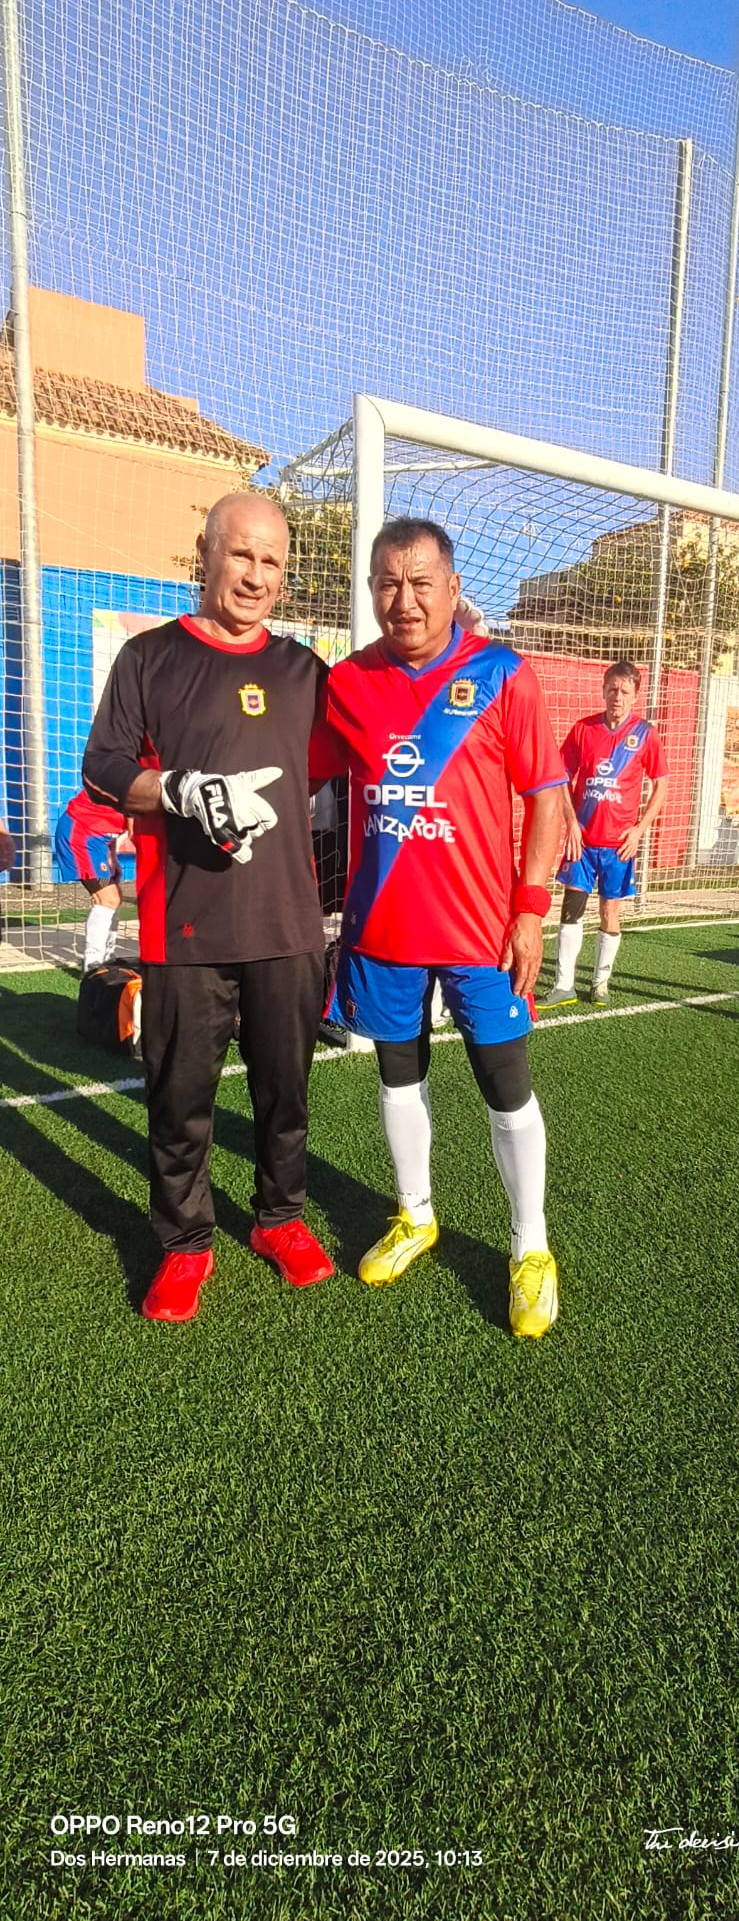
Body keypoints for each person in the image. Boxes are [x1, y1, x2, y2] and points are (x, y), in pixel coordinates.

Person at [309, 516, 566, 1340]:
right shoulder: (347, 683)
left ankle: (530, 1246)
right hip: (382, 927)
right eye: (388, 582)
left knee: (504, 1083)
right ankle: (415, 1214)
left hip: (483, 931)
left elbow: (546, 800)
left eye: (421, 582)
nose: (404, 599)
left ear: (453, 590)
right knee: (396, 1075)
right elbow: (293, 772)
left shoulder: (501, 674)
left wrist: (530, 912)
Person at [82, 491, 335, 1321]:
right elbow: (104, 767)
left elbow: (380, 749)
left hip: (289, 927)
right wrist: (178, 790)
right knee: (179, 1099)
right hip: (183, 926)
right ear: (204, 552)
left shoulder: (306, 673)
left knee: (284, 1095)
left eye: (271, 562)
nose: (256, 575)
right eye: (241, 555)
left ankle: (278, 1219)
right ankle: (185, 1242)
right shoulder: (149, 660)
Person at [539, 660, 669, 1007]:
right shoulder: (584, 729)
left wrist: (639, 831)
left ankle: (600, 983)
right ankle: (563, 985)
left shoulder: (645, 734)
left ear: (636, 696)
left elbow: (661, 786)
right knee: (571, 909)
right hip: (583, 841)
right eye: (612, 689)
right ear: (603, 690)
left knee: (610, 912)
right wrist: (571, 823)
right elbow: (561, 777)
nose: (617, 696)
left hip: (618, 846)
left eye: (625, 691)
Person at [53, 788, 134, 970]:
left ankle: (107, 958)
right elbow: (132, 818)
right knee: (107, 899)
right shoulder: (135, 773)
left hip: (98, 838)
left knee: (115, 899)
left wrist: (112, 855)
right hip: (80, 834)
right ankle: (93, 965)